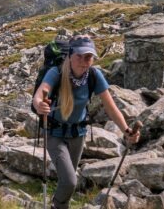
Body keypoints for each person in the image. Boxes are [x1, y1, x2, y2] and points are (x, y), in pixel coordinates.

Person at [33, 35, 140, 209]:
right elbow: (40, 94)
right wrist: (39, 105)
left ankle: (61, 205)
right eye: (79, 56)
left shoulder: (94, 75)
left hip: (78, 134)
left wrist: (127, 131)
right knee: (70, 181)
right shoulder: (57, 72)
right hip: (54, 133)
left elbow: (111, 107)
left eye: (88, 57)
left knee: (67, 180)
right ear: (70, 55)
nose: (84, 61)